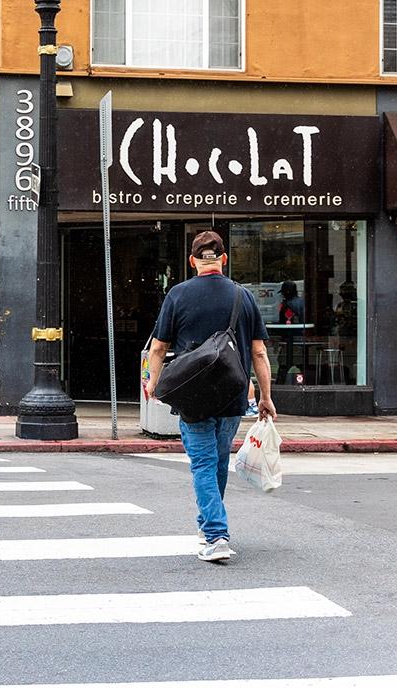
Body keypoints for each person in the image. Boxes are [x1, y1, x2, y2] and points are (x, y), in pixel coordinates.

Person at [144, 231, 276, 563]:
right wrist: (265, 396)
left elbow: (158, 348)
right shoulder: (243, 296)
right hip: (233, 393)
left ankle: (216, 536)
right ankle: (208, 527)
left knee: (203, 463)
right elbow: (259, 352)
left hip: (193, 395)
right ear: (223, 259)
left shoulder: (178, 294)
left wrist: (151, 382)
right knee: (216, 462)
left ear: (193, 261)